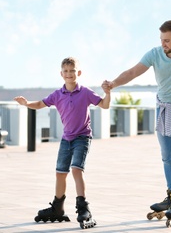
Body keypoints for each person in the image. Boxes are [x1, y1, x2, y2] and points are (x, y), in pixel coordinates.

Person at [103, 20, 171, 226]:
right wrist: (114, 84)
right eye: (161, 40)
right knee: (166, 155)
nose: (163, 44)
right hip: (163, 108)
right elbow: (133, 72)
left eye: (167, 40)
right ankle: (170, 195)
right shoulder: (154, 54)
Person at [14, 57, 111, 229]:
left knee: (76, 169)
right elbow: (40, 104)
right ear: (61, 74)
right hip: (66, 139)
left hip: (82, 137)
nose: (69, 74)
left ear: (78, 73)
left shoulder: (86, 92)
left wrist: (108, 93)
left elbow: (104, 105)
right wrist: (26, 103)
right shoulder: (57, 95)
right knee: (60, 173)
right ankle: (57, 207)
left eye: (72, 71)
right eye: (66, 71)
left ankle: (83, 207)